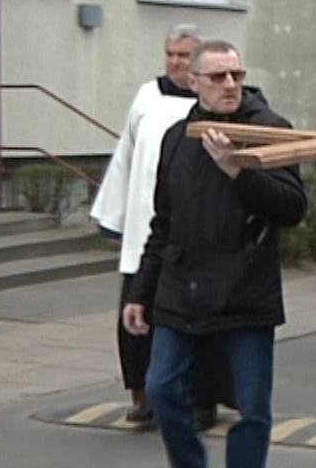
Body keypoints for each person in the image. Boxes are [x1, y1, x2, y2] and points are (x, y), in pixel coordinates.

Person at [124, 41, 309, 468]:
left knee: (250, 405)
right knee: (161, 389)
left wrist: (239, 172)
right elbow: (162, 222)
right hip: (181, 289)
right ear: (194, 82)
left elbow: (293, 207)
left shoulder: (268, 127)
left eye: (236, 75)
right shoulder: (177, 138)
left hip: (245, 287)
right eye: (218, 77)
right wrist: (141, 289)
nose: (229, 85)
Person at [89, 25, 236, 431]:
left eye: (184, 55)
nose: (175, 62)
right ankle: (142, 396)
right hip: (146, 231)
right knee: (137, 316)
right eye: (170, 53)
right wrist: (114, 217)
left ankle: (203, 400)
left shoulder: (217, 104)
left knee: (202, 322)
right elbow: (126, 156)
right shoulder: (146, 98)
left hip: (198, 235)